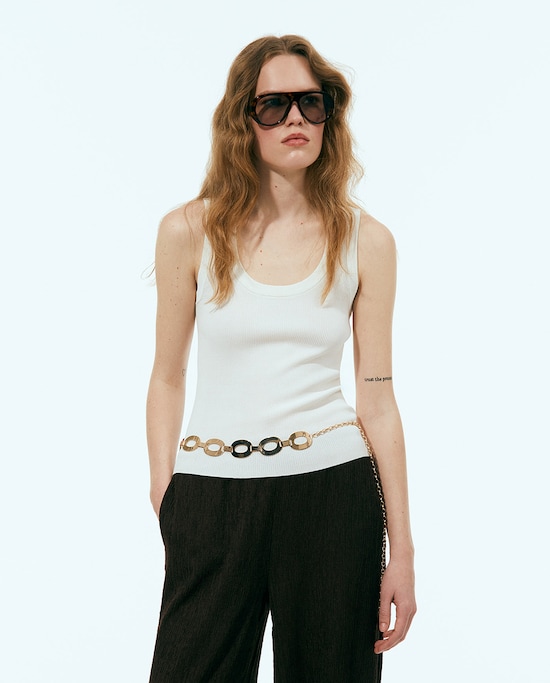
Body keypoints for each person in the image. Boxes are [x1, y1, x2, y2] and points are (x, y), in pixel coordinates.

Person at [146, 34, 416, 683]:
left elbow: (378, 399)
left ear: (328, 116)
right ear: (244, 118)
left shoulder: (368, 241)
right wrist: (166, 494)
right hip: (211, 494)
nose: (296, 118)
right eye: (274, 105)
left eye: (311, 103)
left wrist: (402, 550)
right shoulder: (188, 231)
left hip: (332, 493)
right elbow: (166, 376)